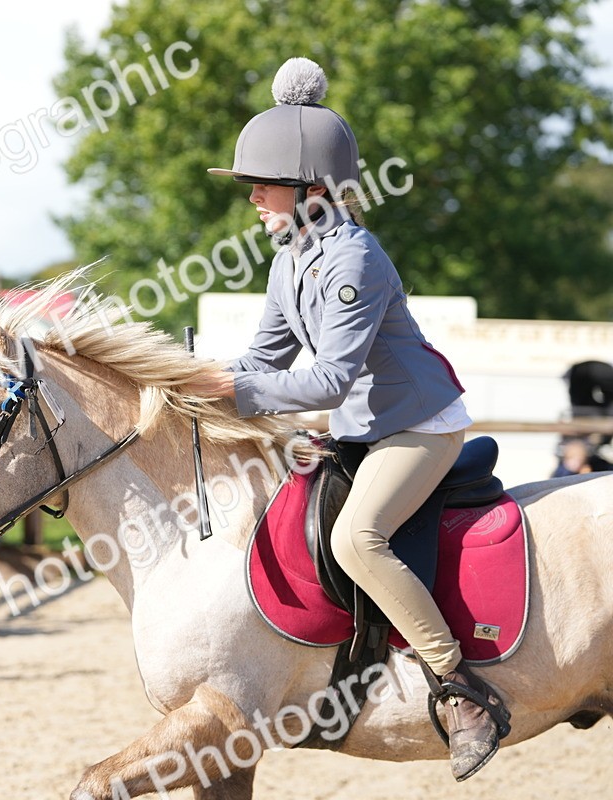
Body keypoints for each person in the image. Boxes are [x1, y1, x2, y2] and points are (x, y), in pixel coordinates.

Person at [195, 58, 510, 781]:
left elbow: (328, 378)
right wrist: (191, 382)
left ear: (309, 190)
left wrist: (232, 392)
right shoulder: (288, 262)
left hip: (420, 424)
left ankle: (462, 689)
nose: (254, 201)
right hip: (365, 427)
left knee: (355, 537)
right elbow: (260, 358)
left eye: (262, 187)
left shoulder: (354, 260)